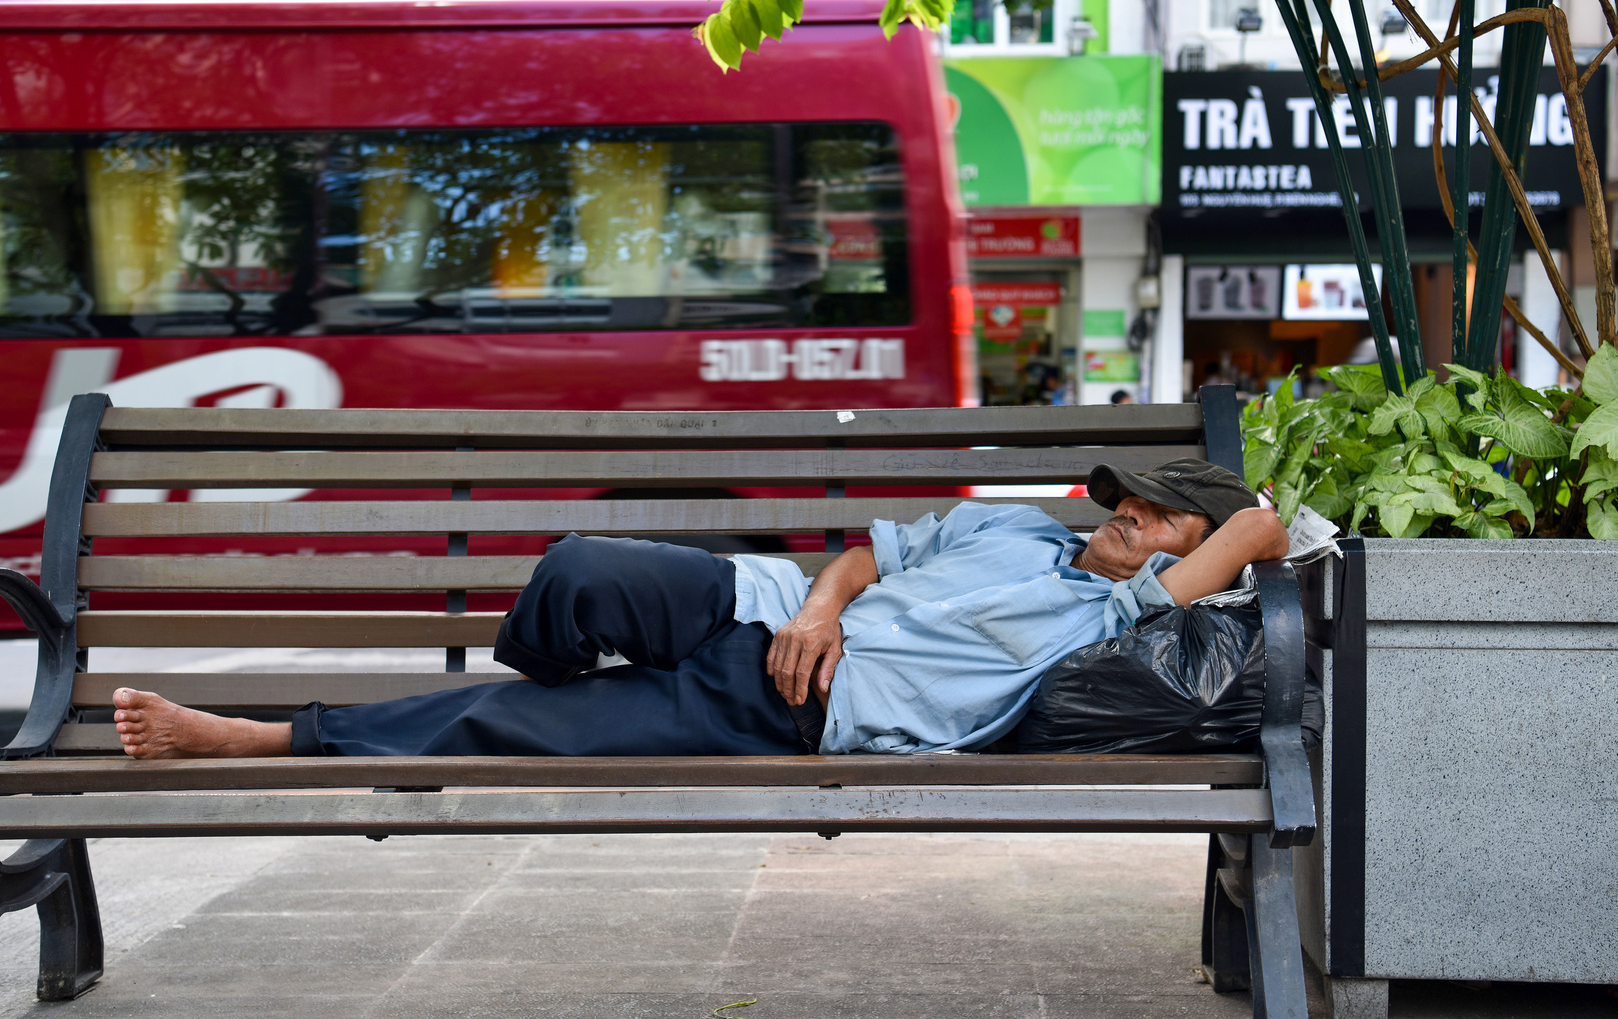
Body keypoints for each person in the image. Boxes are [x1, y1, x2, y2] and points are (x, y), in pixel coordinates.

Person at [110, 460, 1288, 760]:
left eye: (1164, 514)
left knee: (508, 734)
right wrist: (820, 605)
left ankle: (263, 735)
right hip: (768, 609)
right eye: (1131, 497)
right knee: (578, 568)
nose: (1133, 512)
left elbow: (1262, 531)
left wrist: (1227, 521)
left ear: (1188, 557)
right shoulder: (1016, 524)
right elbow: (862, 555)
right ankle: (572, 699)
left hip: (797, 706)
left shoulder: (1119, 621)